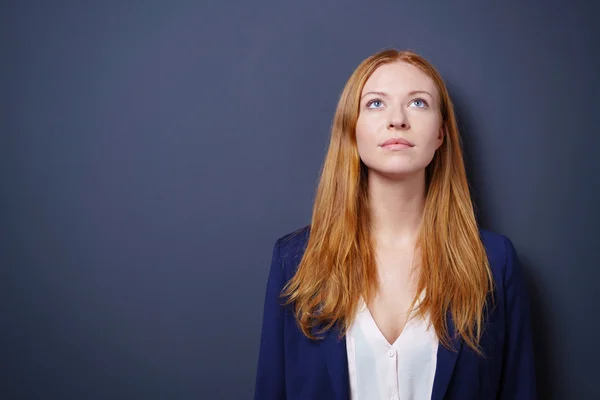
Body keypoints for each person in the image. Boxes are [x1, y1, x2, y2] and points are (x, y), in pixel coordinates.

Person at [253, 48, 537, 400]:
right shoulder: (293, 260)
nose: (397, 119)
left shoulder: (495, 262)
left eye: (418, 103)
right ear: (351, 130)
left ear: (440, 134)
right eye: (375, 103)